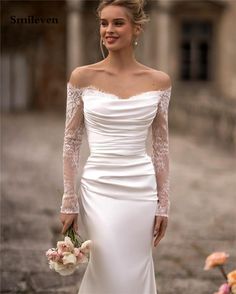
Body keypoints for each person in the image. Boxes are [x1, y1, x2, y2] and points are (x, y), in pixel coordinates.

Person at [60, 0, 172, 293]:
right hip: (99, 187)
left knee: (135, 268)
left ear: (137, 29)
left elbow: (161, 146)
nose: (108, 30)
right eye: (103, 23)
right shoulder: (82, 77)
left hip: (140, 189)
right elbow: (71, 142)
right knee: (107, 263)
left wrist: (163, 204)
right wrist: (69, 199)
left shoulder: (159, 82)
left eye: (117, 23)